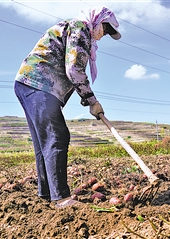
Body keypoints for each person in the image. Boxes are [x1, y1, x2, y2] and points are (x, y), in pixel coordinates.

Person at [14, 7, 121, 208]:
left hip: (29, 84)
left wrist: (86, 99)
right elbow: (74, 69)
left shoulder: (75, 29)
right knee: (57, 135)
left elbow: (71, 70)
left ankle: (47, 194)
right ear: (97, 20)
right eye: (106, 29)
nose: (104, 34)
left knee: (44, 141)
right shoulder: (80, 28)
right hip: (39, 83)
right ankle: (61, 198)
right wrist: (92, 100)